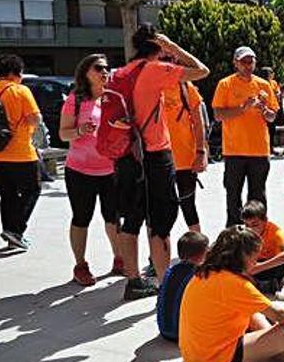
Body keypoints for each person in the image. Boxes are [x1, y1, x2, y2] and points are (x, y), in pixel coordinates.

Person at [113, 24, 209, 301]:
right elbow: (202, 70)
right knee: (161, 220)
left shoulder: (122, 72)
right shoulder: (153, 69)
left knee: (132, 218)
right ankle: (165, 284)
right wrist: (171, 47)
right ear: (156, 43)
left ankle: (134, 281)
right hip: (155, 153)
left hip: (127, 154)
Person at [179, 226, 284, 362]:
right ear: (241, 257)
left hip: (192, 356)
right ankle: (274, 348)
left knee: (253, 309)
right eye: (254, 258)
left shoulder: (203, 273)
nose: (256, 262)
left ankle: (269, 342)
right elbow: (279, 314)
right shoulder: (235, 283)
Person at [59, 54, 122, 286]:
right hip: (80, 170)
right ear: (86, 72)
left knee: (113, 217)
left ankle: (119, 259)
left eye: (107, 68)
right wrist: (80, 131)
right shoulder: (76, 99)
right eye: (99, 68)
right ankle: (80, 265)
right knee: (82, 217)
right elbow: (63, 133)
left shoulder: (113, 98)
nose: (105, 72)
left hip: (110, 168)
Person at [212, 46, 278, 227]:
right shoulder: (225, 84)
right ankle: (234, 232)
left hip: (259, 150)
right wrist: (243, 108)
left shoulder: (264, 85)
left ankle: (259, 232)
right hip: (234, 151)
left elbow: (272, 117)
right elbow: (218, 115)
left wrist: (264, 109)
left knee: (258, 195)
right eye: (244, 62)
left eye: (251, 61)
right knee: (233, 194)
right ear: (235, 63)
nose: (248, 65)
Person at [0, 54, 42, 251]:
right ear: (16, 72)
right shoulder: (20, 90)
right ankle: (15, 231)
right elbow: (34, 119)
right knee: (32, 189)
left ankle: (11, 234)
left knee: (7, 195)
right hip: (20, 153)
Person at [161, 78, 207, 233]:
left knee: (188, 204)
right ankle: (159, 250)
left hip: (186, 157)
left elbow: (198, 122)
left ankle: (198, 246)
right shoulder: (151, 85)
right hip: (159, 158)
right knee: (162, 208)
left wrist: (201, 151)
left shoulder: (185, 86)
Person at [157, 231, 208, 342]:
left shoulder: (171, 271)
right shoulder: (198, 274)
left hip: (164, 330)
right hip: (183, 333)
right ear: (202, 254)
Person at [241, 200, 284, 298]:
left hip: (272, 265)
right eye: (247, 225)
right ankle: (257, 285)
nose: (251, 229)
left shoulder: (275, 232)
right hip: (254, 267)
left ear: (265, 220)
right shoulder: (244, 233)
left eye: (255, 225)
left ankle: (283, 284)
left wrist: (259, 267)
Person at [259, 66, 283, 155]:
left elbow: (278, 92)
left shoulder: (274, 83)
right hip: (263, 109)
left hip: (272, 108)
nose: (273, 74)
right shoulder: (261, 84)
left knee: (272, 130)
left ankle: (271, 147)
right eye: (271, 73)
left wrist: (278, 94)